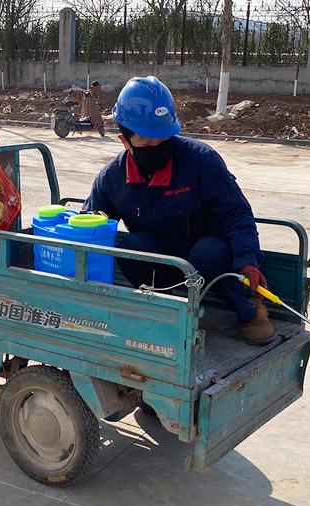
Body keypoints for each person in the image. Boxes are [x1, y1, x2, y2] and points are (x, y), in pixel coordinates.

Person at [83, 76, 274, 344]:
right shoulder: (112, 178)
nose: (157, 147)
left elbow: (236, 215)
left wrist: (248, 260)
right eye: (147, 142)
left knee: (209, 252)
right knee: (133, 247)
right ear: (125, 141)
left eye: (163, 139)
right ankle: (162, 310)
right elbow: (90, 225)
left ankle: (250, 310)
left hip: (207, 256)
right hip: (162, 260)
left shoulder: (201, 161)